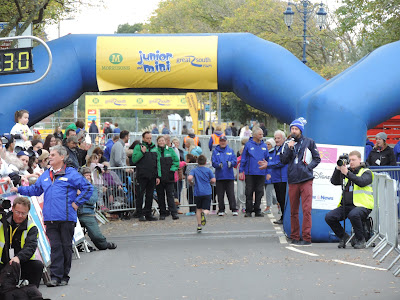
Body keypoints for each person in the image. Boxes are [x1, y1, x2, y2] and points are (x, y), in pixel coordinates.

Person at [11, 145, 93, 287]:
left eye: (53, 155)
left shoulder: (71, 173)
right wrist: (19, 189)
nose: (50, 157)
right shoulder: (46, 175)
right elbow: (35, 189)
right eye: (50, 155)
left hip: (67, 218)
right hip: (50, 218)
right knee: (55, 247)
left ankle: (64, 277)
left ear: (62, 157)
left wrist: (77, 203)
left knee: (66, 247)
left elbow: (88, 188)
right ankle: (55, 277)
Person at [280, 117, 321, 246]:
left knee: (306, 209)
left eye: (296, 129)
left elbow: (317, 159)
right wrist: (289, 148)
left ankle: (307, 237)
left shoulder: (309, 142)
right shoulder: (287, 144)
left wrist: (308, 168)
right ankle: (295, 236)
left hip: (306, 179)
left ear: (300, 130)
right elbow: (283, 160)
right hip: (293, 180)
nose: (293, 131)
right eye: (292, 128)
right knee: (293, 211)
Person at [325, 150, 374, 249]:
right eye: (349, 160)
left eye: (354, 160)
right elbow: (334, 181)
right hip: (346, 206)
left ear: (360, 160)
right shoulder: (347, 171)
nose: (351, 162)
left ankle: (361, 239)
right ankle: (345, 237)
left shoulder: (366, 172)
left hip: (363, 205)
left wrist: (347, 173)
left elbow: (361, 182)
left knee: (354, 214)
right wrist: (338, 168)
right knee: (329, 217)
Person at [0, 197, 44, 288]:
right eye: (17, 212)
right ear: (12, 209)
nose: (20, 216)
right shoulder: (2, 220)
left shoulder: (31, 228)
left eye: (23, 213)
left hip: (21, 264)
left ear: (28, 212)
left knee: (37, 266)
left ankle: (32, 292)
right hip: (2, 262)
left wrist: (18, 258)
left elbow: (30, 247)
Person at [78, 167, 117, 250]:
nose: (88, 177)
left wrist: (81, 195)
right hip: (74, 214)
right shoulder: (75, 187)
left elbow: (92, 200)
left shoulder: (92, 188)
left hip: (87, 214)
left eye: (89, 175)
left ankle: (104, 244)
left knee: (96, 236)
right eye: (85, 175)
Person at [239, 127, 269, 217]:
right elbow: (243, 158)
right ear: (255, 135)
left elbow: (267, 159)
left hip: (261, 173)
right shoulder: (248, 145)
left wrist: (268, 172)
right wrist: (241, 171)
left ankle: (257, 210)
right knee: (249, 192)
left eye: (262, 134)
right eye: (260, 134)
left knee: (259, 192)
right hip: (250, 172)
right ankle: (248, 210)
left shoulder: (264, 145)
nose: (262, 136)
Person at [131, 131, 160, 221]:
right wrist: (142, 152)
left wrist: (158, 176)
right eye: (147, 138)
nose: (149, 140)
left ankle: (148, 213)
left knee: (150, 195)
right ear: (143, 138)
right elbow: (134, 159)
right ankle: (139, 214)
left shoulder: (154, 148)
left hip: (152, 176)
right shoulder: (138, 147)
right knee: (140, 195)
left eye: (150, 138)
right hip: (142, 175)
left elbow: (158, 162)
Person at [187, 155, 216, 233]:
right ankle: (205, 214)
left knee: (198, 209)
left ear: (197, 162)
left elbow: (189, 178)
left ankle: (199, 226)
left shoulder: (194, 170)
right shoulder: (208, 170)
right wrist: (210, 182)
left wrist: (191, 183)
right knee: (206, 209)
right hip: (207, 191)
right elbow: (213, 180)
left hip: (198, 192)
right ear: (205, 162)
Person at [212, 136, 238, 216]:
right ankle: (221, 209)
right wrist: (218, 165)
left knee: (231, 194)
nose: (223, 142)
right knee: (220, 194)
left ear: (226, 142)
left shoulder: (230, 150)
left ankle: (234, 209)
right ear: (219, 142)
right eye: (221, 141)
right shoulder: (215, 151)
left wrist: (231, 163)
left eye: (224, 141)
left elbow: (234, 160)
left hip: (229, 176)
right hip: (220, 176)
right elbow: (213, 162)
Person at [155, 136, 180, 220]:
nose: (161, 142)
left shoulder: (170, 150)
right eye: (160, 141)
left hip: (169, 176)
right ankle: (162, 213)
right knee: (160, 196)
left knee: (170, 196)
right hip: (159, 178)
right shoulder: (155, 151)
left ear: (165, 141)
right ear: (157, 142)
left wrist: (172, 170)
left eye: (163, 140)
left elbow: (176, 161)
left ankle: (174, 213)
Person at [269, 130, 288, 224]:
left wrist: (268, 164)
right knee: (279, 200)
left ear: (283, 139)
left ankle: (285, 218)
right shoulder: (274, 150)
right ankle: (283, 217)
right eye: (275, 138)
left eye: (278, 138)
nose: (276, 140)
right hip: (276, 178)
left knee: (284, 199)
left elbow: (281, 162)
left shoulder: (285, 148)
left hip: (283, 178)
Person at [264, 138, 277, 214]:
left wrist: (270, 174)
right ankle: (278, 203)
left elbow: (272, 165)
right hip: (264, 175)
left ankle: (268, 207)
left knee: (268, 191)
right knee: (270, 192)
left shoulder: (274, 153)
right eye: (266, 144)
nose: (267, 146)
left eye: (269, 144)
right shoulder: (265, 153)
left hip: (271, 175)